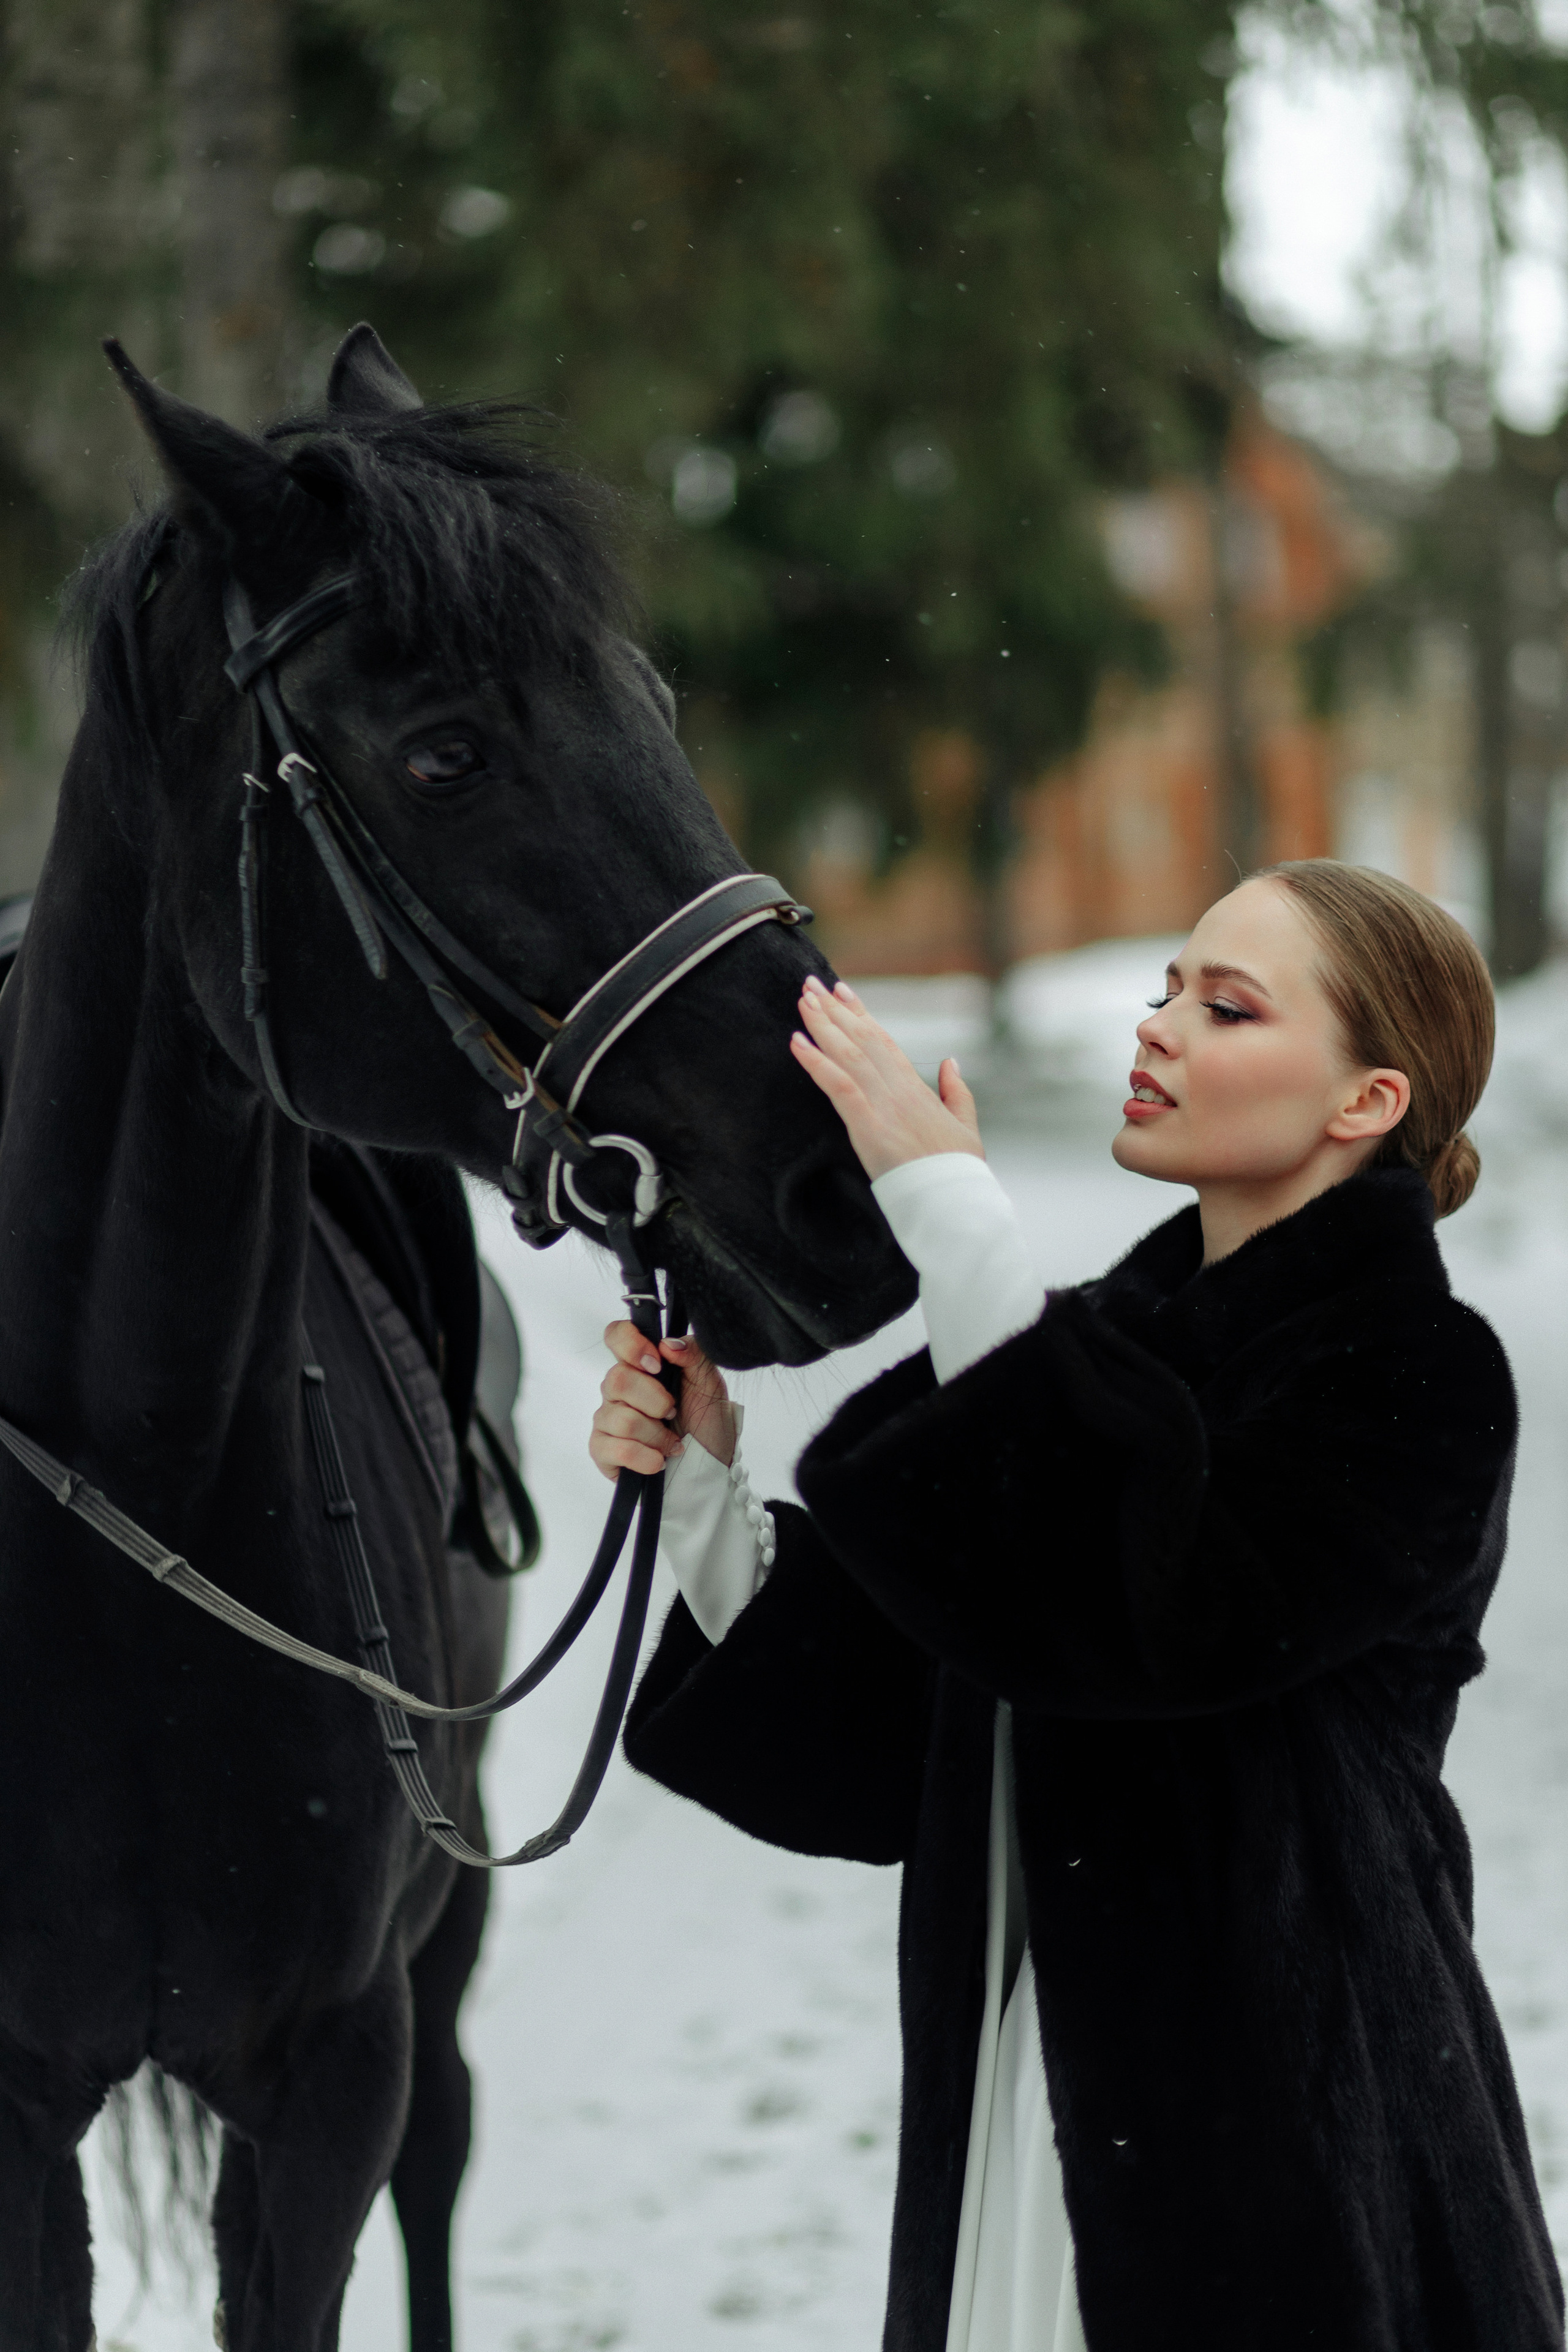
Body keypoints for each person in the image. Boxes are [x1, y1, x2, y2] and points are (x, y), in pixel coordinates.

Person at [588, 859, 1562, 2352]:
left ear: (1364, 1101)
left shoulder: (1421, 1376)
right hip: (1038, 2099)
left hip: (1290, 2129)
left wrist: (961, 1235)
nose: (1159, 1025)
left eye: (1224, 1006)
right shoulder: (1108, 1350)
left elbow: (1153, 1622)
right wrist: (708, 1491)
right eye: (1165, 984)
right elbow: (908, 1728)